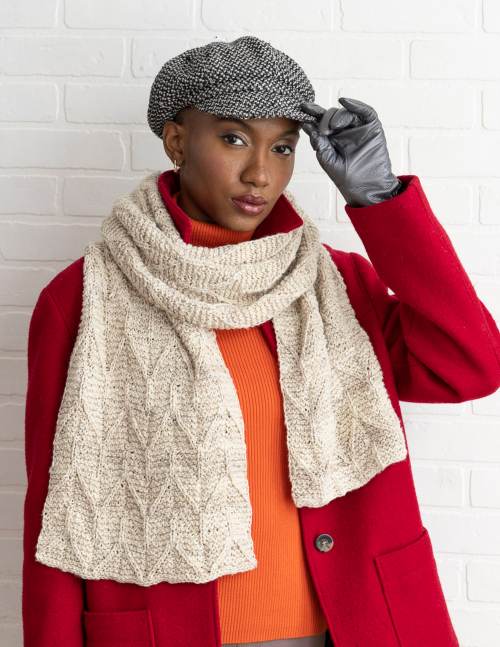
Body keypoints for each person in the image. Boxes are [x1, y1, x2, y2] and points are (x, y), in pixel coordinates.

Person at [22, 35, 500, 647]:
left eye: (282, 147)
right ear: (176, 141)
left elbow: (469, 365)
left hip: (354, 625)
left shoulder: (335, 286)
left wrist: (380, 201)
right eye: (233, 138)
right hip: (169, 633)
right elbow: (58, 516)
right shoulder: (82, 300)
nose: (260, 173)